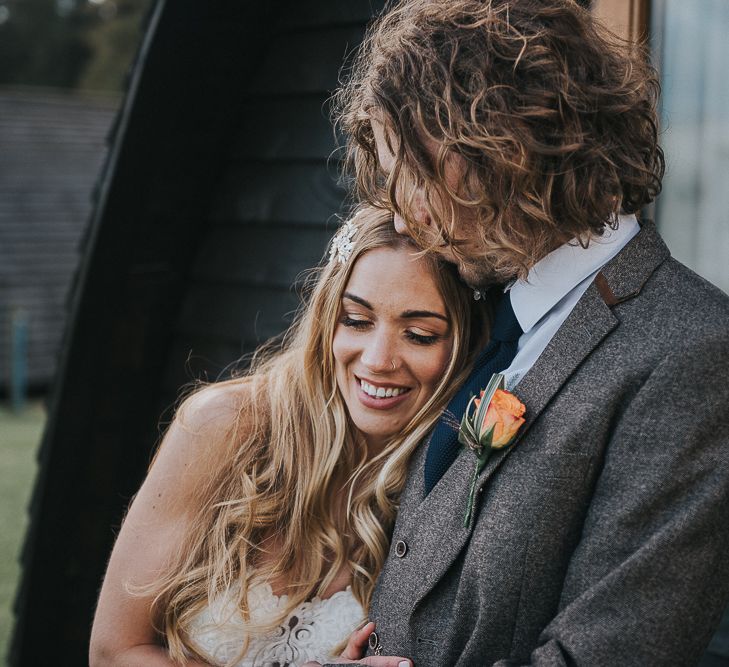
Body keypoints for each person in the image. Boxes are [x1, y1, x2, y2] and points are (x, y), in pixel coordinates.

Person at [314, 0, 729, 665]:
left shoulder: (693, 349)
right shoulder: (470, 309)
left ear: (505, 149)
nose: (399, 208)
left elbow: (612, 653)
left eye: (414, 174)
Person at [88, 206, 488, 667]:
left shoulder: (448, 482)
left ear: (464, 344)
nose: (378, 359)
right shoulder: (225, 425)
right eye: (356, 321)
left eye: (419, 335)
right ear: (325, 321)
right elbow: (114, 651)